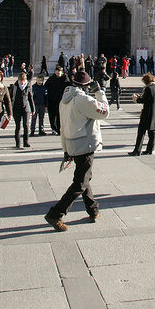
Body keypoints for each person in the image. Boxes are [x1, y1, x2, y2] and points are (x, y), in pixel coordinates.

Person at [44, 70, 109, 231]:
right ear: (86, 86)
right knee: (80, 183)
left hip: (73, 144)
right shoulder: (83, 99)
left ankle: (93, 209)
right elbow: (105, 111)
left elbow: (63, 127)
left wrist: (66, 149)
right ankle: (56, 213)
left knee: (85, 177)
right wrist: (99, 92)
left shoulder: (64, 100)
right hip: (85, 145)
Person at [129, 73, 155, 155]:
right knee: (151, 131)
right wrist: (141, 97)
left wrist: (136, 99)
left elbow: (145, 100)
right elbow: (149, 98)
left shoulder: (148, 88)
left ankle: (137, 150)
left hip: (147, 112)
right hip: (154, 111)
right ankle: (150, 149)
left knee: (141, 131)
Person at [11, 69, 34, 148]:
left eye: (23, 80)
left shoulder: (28, 86)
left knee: (26, 125)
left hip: (26, 108)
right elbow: (11, 98)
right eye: (20, 81)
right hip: (16, 108)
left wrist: (33, 108)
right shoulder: (15, 86)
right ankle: (18, 143)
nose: (22, 82)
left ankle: (26, 141)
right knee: (18, 126)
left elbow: (30, 98)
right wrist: (10, 110)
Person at [45, 66, 67, 133]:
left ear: (62, 72)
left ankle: (59, 128)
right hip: (51, 100)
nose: (58, 72)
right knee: (52, 115)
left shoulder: (64, 79)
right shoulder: (51, 78)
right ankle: (53, 128)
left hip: (60, 100)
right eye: (57, 71)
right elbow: (45, 86)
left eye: (59, 71)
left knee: (59, 115)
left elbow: (68, 86)